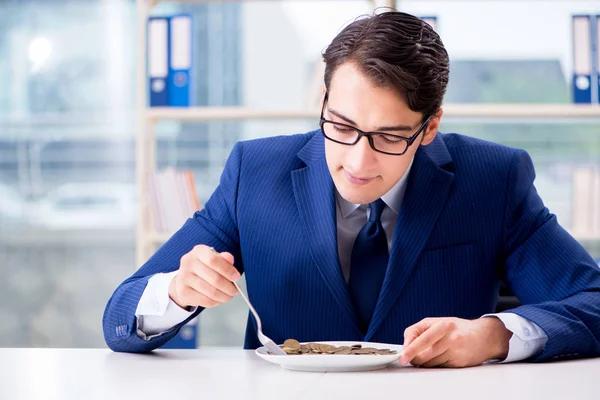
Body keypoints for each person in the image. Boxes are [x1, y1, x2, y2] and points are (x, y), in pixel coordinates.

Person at [103, 11, 600, 367]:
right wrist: (175, 290)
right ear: (322, 99)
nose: (358, 162)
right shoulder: (254, 171)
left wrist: (493, 335)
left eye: (389, 137)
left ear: (429, 128)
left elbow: (593, 302)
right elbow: (120, 315)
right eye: (340, 125)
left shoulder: (493, 178)